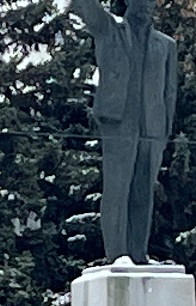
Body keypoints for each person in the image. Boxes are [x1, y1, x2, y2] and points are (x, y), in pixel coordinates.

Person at [67, 0, 179, 264]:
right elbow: (86, 7)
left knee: (143, 192)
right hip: (119, 122)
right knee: (117, 189)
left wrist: (164, 130)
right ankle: (117, 255)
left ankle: (139, 254)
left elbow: (170, 92)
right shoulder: (110, 29)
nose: (146, 5)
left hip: (152, 127)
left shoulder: (166, 45)